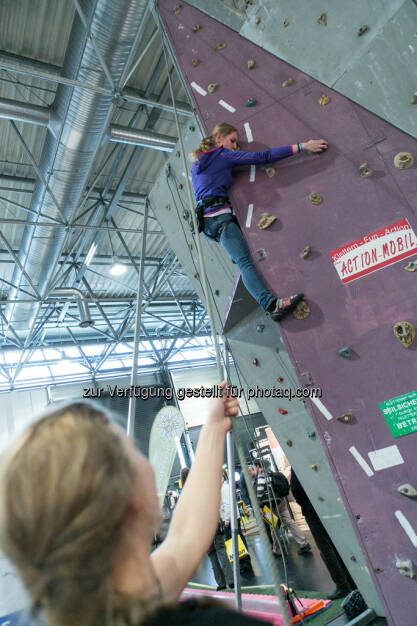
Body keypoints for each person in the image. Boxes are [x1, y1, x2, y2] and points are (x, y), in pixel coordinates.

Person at [0, 384, 270, 625]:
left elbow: (183, 541)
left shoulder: (102, 607)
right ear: (128, 500)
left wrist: (213, 427)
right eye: (132, 450)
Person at [190, 123, 328, 321]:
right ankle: (271, 305)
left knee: (241, 259)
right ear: (218, 139)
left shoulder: (199, 163)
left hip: (207, 223)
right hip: (219, 217)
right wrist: (302, 146)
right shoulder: (222, 155)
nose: (236, 146)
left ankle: (268, 302)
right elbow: (262, 157)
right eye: (232, 140)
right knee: (245, 262)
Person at [290, 470, 356, 600]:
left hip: (312, 510)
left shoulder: (297, 464)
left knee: (326, 549)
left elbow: (296, 489)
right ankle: (351, 581)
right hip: (329, 505)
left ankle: (343, 585)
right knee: (339, 544)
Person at [182, 467, 234, 591]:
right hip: (213, 522)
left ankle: (221, 583)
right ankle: (231, 581)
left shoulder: (185, 494)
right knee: (221, 550)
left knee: (212, 554)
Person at [251, 459, 311, 556]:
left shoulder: (261, 475)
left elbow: (260, 490)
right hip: (280, 501)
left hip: (269, 504)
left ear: (258, 466)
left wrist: (259, 504)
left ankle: (277, 549)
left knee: (273, 527)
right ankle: (303, 543)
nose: (254, 469)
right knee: (289, 521)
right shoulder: (272, 473)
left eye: (254, 467)